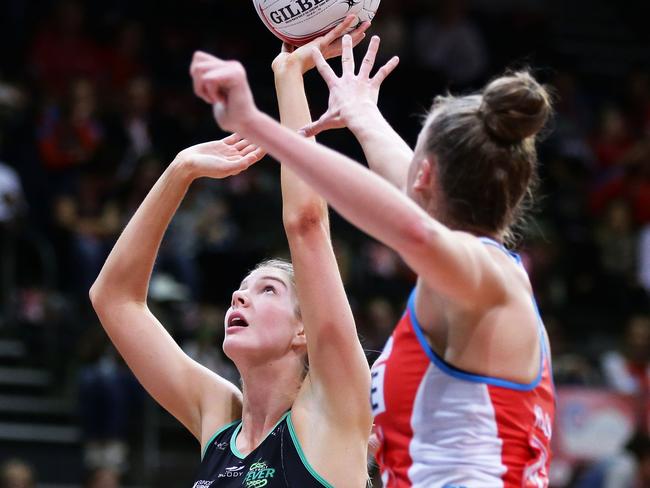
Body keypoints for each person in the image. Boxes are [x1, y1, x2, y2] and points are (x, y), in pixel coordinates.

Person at [190, 33, 556, 487]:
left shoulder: (488, 278)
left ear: (423, 177)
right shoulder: (476, 274)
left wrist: (256, 123)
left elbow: (410, 227)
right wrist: (359, 111)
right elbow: (412, 196)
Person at [90, 18, 373, 487]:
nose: (238, 299)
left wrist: (288, 75)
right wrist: (178, 172)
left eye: (267, 290)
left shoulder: (334, 411)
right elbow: (114, 299)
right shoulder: (219, 420)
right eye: (240, 291)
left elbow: (306, 225)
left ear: (305, 329)